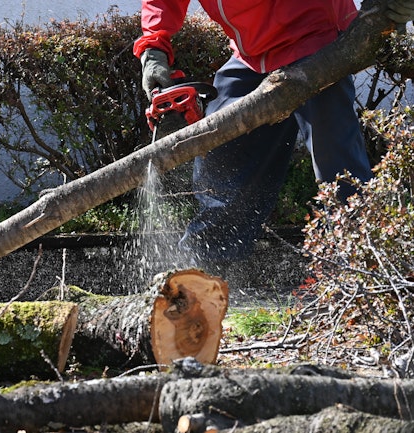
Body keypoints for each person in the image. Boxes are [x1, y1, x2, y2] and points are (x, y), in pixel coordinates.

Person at [134, 0, 414, 269]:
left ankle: (363, 267)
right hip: (252, 55)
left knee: (337, 163)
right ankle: (206, 265)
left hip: (318, 43)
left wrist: (390, 10)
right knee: (222, 156)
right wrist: (153, 48)